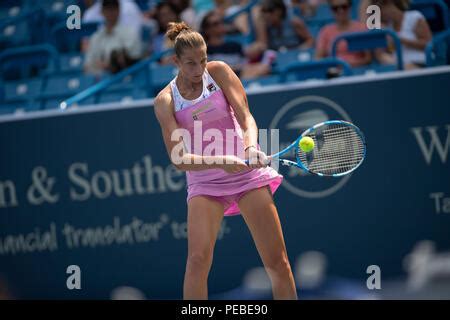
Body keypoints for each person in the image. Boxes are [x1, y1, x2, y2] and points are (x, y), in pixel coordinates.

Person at [153, 21, 298, 300]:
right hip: (205, 184)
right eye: (191, 64)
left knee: (277, 262)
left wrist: (250, 147)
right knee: (197, 262)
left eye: (203, 59)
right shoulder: (165, 101)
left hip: (247, 176)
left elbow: (246, 116)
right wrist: (221, 160)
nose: (199, 69)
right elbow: (179, 159)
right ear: (175, 61)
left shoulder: (218, 72)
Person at [200, 11, 271, 79]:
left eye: (221, 22)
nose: (220, 25)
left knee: (263, 68)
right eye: (216, 24)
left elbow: (252, 51)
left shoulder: (234, 45)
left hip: (241, 76)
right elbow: (211, 70)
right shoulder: (204, 50)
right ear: (207, 29)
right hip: (221, 81)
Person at [84, 0, 143, 75]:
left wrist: (108, 64)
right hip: (101, 80)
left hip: (125, 78)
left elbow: (134, 60)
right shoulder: (96, 37)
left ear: (119, 10)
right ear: (102, 11)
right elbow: (87, 66)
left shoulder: (130, 33)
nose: (110, 12)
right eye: (107, 9)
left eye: (113, 9)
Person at [372, 0, 432, 69]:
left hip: (419, 62)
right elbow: (385, 53)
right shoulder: (387, 27)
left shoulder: (414, 16)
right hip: (395, 65)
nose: (381, 15)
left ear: (390, 4)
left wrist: (400, 40)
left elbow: (428, 44)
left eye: (381, 10)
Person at [315, 0, 371, 67]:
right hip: (334, 73)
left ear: (350, 7)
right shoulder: (325, 31)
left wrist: (345, 65)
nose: (340, 11)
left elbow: (368, 58)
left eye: (344, 7)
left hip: (358, 71)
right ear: (331, 10)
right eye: (335, 8)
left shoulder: (361, 28)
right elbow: (318, 58)